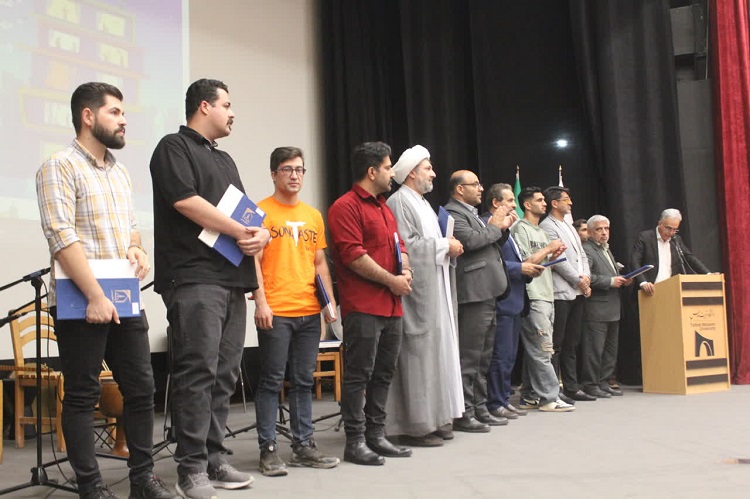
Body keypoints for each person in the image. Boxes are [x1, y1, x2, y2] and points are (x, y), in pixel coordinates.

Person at [36, 82, 177, 499]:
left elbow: (130, 228)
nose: (123, 120)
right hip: (81, 299)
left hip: (123, 295)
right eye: (115, 112)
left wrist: (137, 248)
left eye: (123, 112)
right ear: (88, 116)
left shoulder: (119, 171)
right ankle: (91, 487)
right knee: (83, 394)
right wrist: (94, 295)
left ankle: (142, 480)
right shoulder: (58, 166)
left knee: (142, 389)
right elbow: (61, 237)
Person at [150, 79, 268, 499]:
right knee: (197, 372)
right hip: (194, 277)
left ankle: (215, 457)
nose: (233, 113)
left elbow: (246, 215)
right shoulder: (173, 147)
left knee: (224, 373)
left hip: (232, 278)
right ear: (204, 106)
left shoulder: (225, 159)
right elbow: (185, 201)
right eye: (227, 105)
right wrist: (240, 230)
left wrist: (261, 234)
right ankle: (191, 469)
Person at [252, 147, 340, 476]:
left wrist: (329, 303)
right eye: (287, 169)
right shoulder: (260, 212)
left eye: (300, 169)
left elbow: (319, 263)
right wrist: (261, 302)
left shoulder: (313, 215)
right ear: (274, 174)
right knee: (271, 381)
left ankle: (303, 446)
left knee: (304, 381)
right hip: (276, 311)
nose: (294, 175)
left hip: (308, 311)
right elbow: (253, 262)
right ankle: (268, 450)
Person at [328, 141, 413, 466]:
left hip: (392, 306)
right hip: (363, 306)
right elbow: (353, 256)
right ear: (372, 171)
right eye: (389, 167)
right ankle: (355, 441)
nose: (392, 173)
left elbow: (399, 244)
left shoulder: (384, 207)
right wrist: (392, 280)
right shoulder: (345, 207)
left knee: (384, 373)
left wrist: (405, 268)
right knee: (358, 375)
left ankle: (377, 435)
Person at [384, 145, 465, 447]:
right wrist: (445, 245)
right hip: (417, 297)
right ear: (412, 173)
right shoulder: (399, 202)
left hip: (435, 292)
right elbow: (407, 247)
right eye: (428, 168)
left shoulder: (423, 203)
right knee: (418, 359)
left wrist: (448, 245)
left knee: (438, 357)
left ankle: (438, 418)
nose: (433, 174)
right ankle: (415, 426)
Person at [444, 170, 513, 432]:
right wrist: (495, 225)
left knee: (484, 357)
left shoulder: (471, 213)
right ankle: (465, 412)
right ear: (460, 189)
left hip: (487, 291)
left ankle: (480, 407)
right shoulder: (453, 213)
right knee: (470, 357)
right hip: (473, 293)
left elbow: (490, 243)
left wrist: (501, 229)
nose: (481, 188)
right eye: (475, 184)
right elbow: (472, 242)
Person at [482, 184, 545, 420]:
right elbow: (490, 262)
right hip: (502, 301)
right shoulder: (488, 225)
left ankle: (504, 399)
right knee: (500, 356)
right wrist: (520, 268)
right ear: (495, 203)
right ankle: (495, 401)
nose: (514, 206)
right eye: (509, 201)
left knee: (509, 356)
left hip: (516, 300)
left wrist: (529, 267)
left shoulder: (508, 229)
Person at [511, 187, 574, 413]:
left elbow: (543, 262)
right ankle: (549, 397)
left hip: (547, 294)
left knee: (538, 348)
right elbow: (525, 262)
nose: (544, 203)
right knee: (543, 348)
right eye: (539, 200)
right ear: (527, 205)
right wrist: (548, 248)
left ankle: (529, 395)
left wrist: (553, 255)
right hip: (533, 295)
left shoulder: (541, 231)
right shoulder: (520, 228)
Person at [540, 186, 594, 403]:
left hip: (577, 291)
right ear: (554, 203)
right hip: (561, 292)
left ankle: (572, 386)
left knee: (572, 342)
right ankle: (555, 389)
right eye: (566, 199)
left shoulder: (570, 226)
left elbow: (582, 255)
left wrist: (586, 277)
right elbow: (558, 260)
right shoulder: (547, 226)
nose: (570, 203)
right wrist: (578, 280)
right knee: (557, 343)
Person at [581, 215, 631, 398]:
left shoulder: (606, 249)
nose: (604, 233)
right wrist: (611, 281)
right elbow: (587, 277)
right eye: (599, 229)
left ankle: (604, 381)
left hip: (613, 307)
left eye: (606, 229)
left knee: (610, 350)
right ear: (590, 232)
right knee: (594, 350)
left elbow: (610, 273)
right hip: (596, 308)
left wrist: (623, 279)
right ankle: (591, 384)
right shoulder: (587, 249)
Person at [630, 208, 711, 295]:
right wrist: (643, 282)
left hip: (670, 291)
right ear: (660, 223)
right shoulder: (645, 237)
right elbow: (634, 262)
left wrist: (708, 274)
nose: (671, 232)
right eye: (668, 228)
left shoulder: (676, 240)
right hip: (649, 291)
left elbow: (689, 257)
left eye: (675, 229)